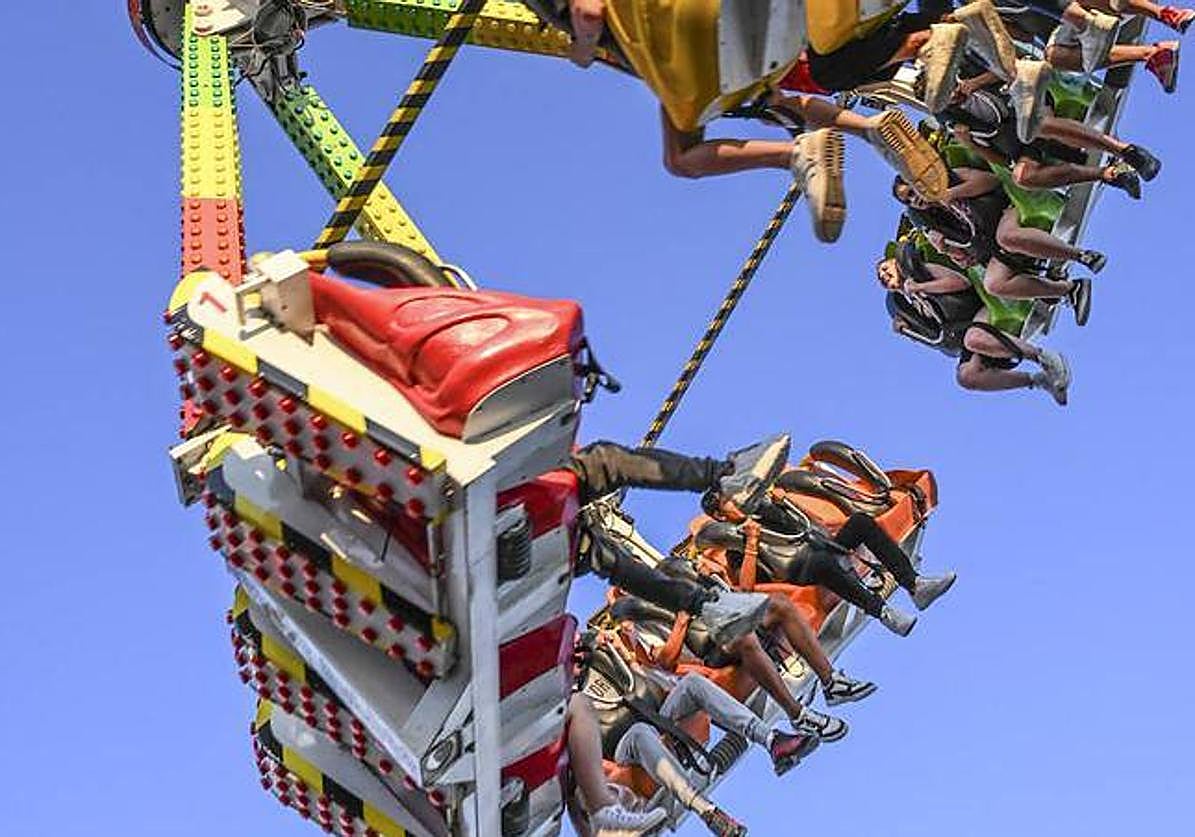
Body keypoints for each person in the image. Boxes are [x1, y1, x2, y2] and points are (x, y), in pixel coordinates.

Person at [574, 632, 820, 837]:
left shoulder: (606, 660)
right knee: (640, 733)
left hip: (656, 717)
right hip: (624, 747)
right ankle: (708, 811)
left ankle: (772, 740)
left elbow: (653, 682)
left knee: (692, 683)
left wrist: (624, 652)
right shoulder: (563, 703)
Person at [694, 487, 958, 638]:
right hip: (798, 569)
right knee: (821, 562)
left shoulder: (766, 510)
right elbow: (747, 586)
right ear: (719, 514)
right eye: (728, 500)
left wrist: (785, 502)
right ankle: (882, 612)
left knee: (860, 523)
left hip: (821, 547)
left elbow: (811, 527)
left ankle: (915, 585)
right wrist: (751, 542)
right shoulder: (733, 543)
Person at [878, 240, 1073, 403]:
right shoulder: (906, 304)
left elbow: (959, 283)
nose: (884, 276)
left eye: (885, 269)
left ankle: (1044, 357)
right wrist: (906, 328)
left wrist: (922, 286)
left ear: (896, 263)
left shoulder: (921, 271)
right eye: (881, 279)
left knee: (974, 339)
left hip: (979, 305)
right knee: (967, 377)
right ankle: (1037, 381)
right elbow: (932, 333)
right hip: (960, 329)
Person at [892, 167, 1110, 306]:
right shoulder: (933, 224)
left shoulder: (949, 177)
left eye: (912, 192)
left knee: (1007, 237)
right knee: (993, 284)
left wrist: (953, 193)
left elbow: (991, 180)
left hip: (1004, 211)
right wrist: (947, 249)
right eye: (908, 200)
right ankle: (1069, 290)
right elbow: (970, 260)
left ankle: (1081, 256)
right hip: (991, 247)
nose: (914, 199)